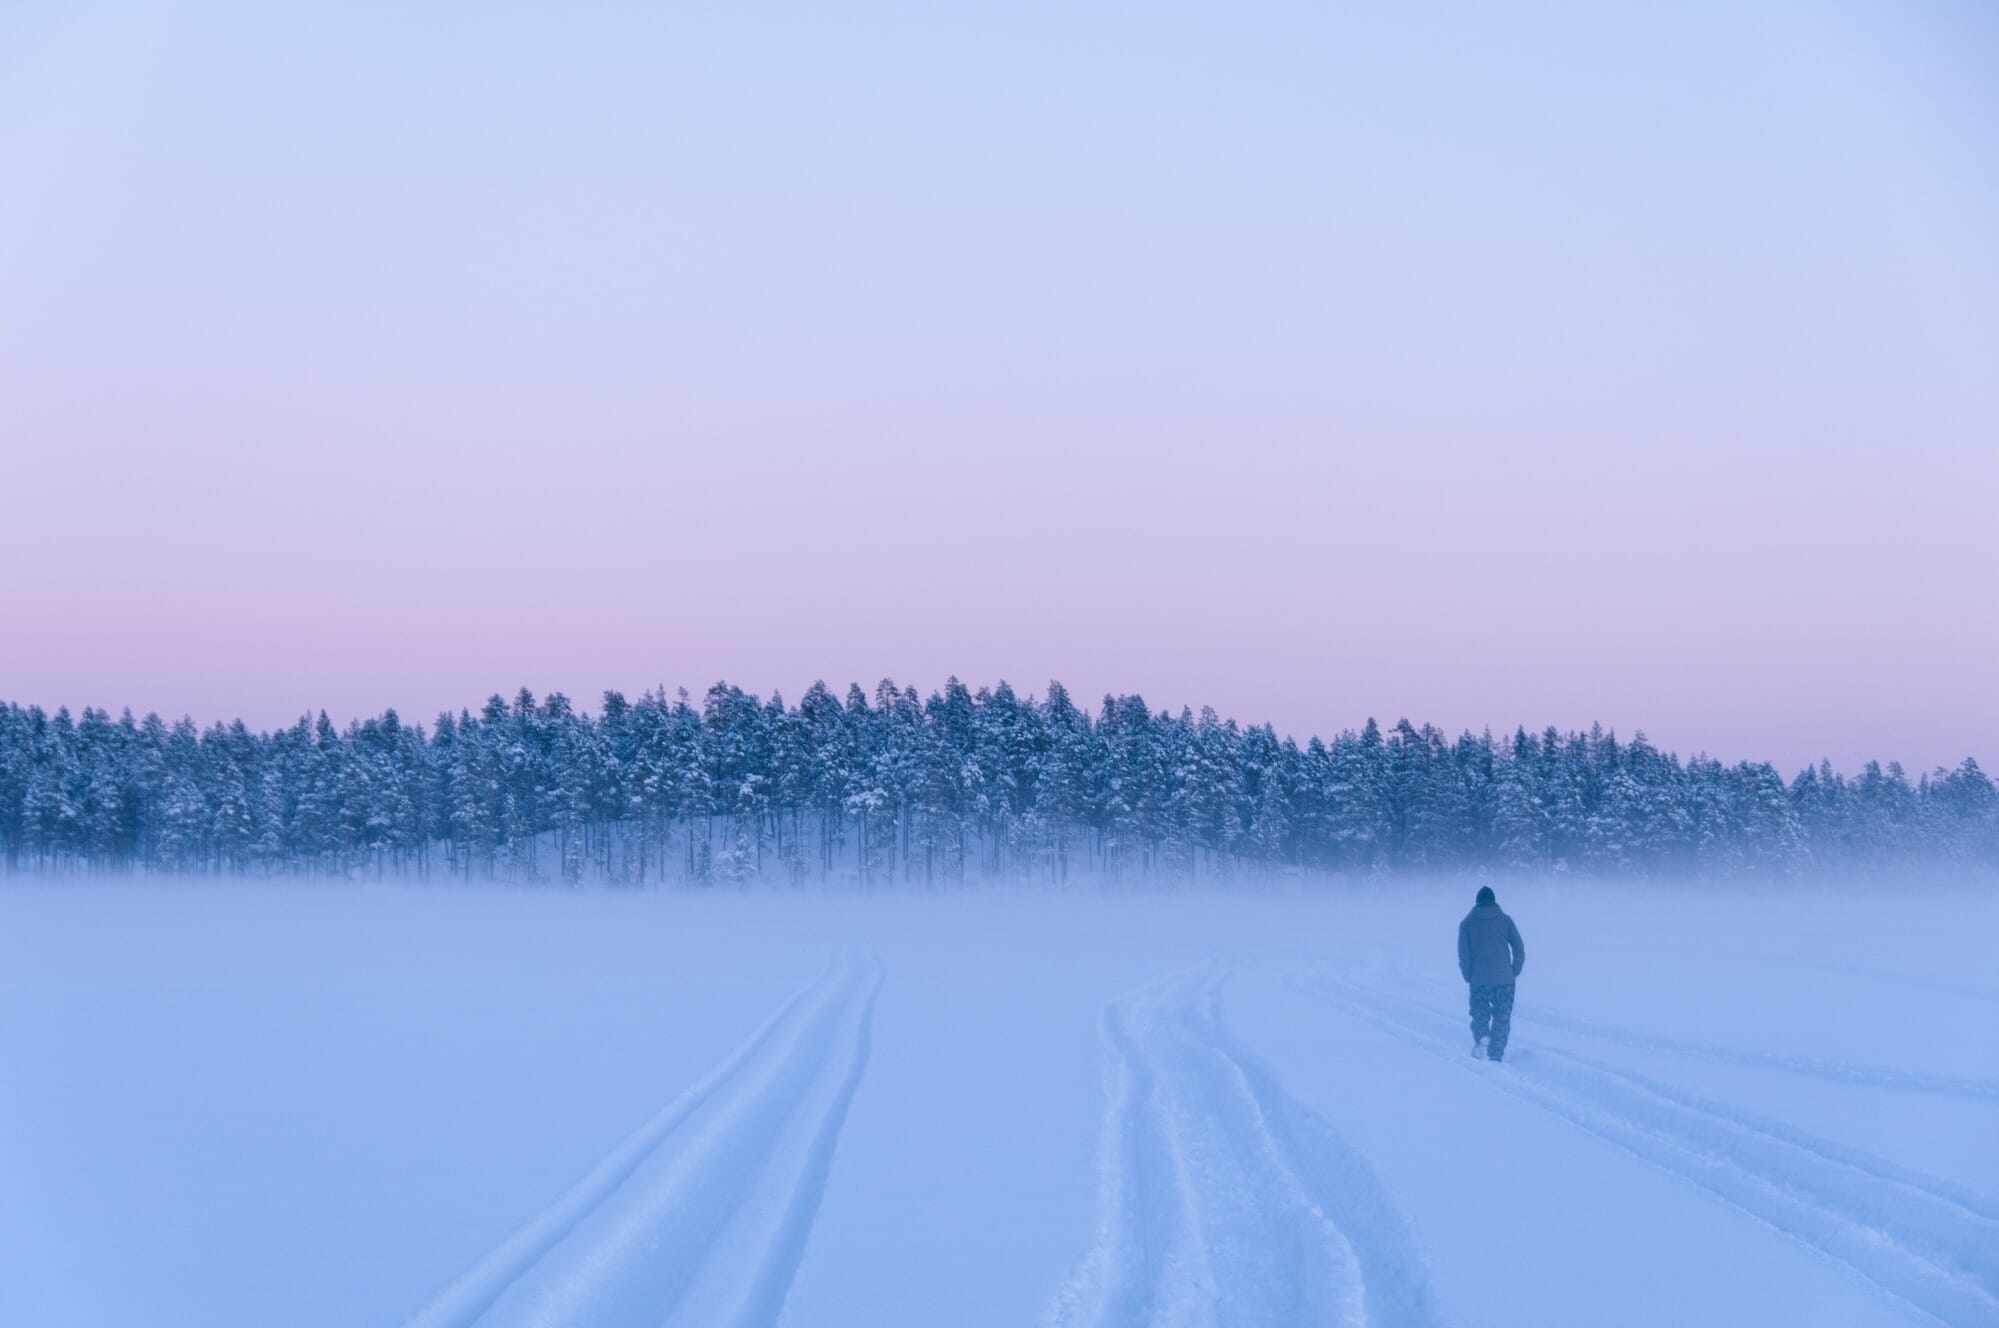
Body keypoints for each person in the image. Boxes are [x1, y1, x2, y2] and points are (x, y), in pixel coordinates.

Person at [1458, 885, 1525, 1062]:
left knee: (1479, 1013)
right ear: (1494, 901)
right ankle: (1496, 1055)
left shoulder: (1467, 923)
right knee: (1502, 1018)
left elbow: (1464, 954)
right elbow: (1519, 948)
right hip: (1505, 980)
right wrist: (1513, 971)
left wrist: (1468, 975)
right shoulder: (1506, 921)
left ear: (1477, 902)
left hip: (1479, 979)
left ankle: (1482, 1037)